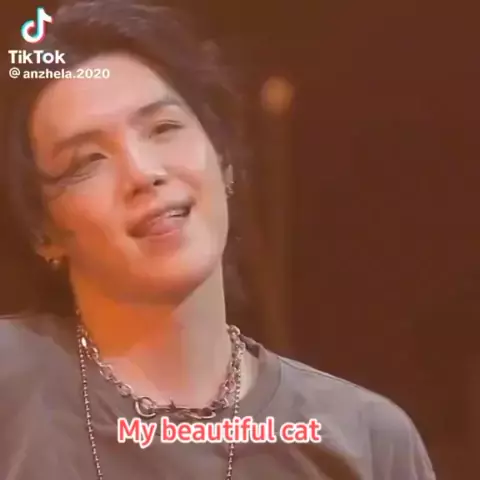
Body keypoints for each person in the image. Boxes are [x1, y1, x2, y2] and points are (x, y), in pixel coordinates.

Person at [0, 1, 436, 479]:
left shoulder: (367, 441)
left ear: (223, 158)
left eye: (164, 128)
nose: (143, 173)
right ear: (43, 230)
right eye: (87, 161)